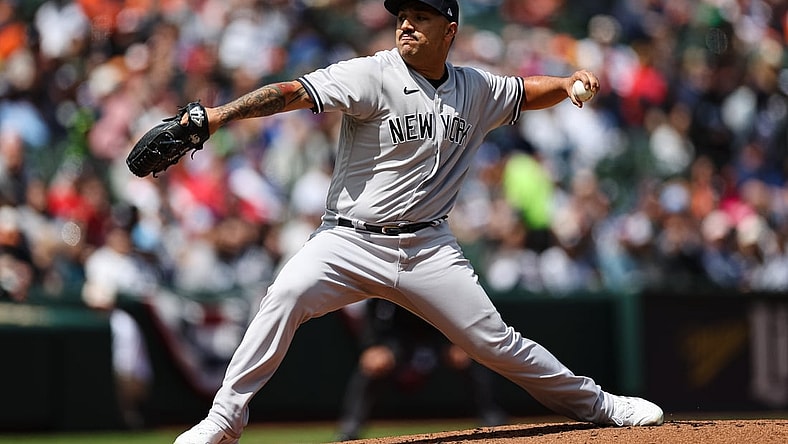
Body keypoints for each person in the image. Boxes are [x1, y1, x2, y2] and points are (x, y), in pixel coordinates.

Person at [173, 1, 664, 443]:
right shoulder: (371, 74)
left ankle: (602, 405)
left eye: (421, 16)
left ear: (449, 29)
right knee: (284, 296)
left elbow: (523, 92)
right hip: (348, 239)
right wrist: (218, 116)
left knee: (494, 343)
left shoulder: (474, 87)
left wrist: (563, 83)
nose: (406, 23)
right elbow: (292, 93)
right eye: (402, 15)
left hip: (429, 246)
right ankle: (223, 420)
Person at [335, 298, 507, 441]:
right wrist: (372, 345)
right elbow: (373, 309)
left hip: (438, 335)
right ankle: (350, 427)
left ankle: (492, 416)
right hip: (400, 339)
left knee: (468, 357)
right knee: (373, 365)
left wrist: (461, 341)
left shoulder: (440, 272)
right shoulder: (394, 271)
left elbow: (461, 308)